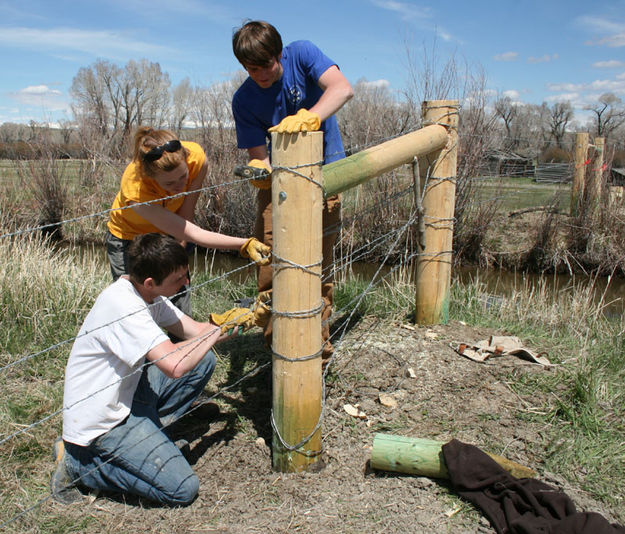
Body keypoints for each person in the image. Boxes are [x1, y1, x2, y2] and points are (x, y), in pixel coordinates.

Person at [50, 233, 260, 506]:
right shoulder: (125, 307)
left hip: (123, 397)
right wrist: (219, 329)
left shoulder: (146, 294)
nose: (186, 282)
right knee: (182, 489)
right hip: (102, 423)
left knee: (203, 360)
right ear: (151, 282)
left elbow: (196, 333)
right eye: (178, 279)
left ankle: (150, 439)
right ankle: (79, 466)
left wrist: (240, 318)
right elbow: (173, 365)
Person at [231, 20, 353, 363]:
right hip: (278, 187)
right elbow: (259, 157)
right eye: (251, 69)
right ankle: (279, 351)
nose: (261, 75)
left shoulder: (302, 54)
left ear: (279, 53)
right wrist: (260, 173)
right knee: (271, 262)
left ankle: (317, 354)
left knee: (317, 266)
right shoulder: (244, 100)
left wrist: (310, 119)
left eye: (266, 65)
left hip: (325, 175)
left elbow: (342, 88)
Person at [106, 126, 270, 316]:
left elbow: (186, 215)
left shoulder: (197, 159)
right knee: (134, 304)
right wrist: (244, 244)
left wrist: (179, 252)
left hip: (170, 229)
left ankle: (184, 343)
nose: (180, 186)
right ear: (150, 177)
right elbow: (192, 233)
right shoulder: (135, 191)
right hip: (128, 235)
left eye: (183, 176)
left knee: (177, 288)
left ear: (186, 159)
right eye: (169, 184)